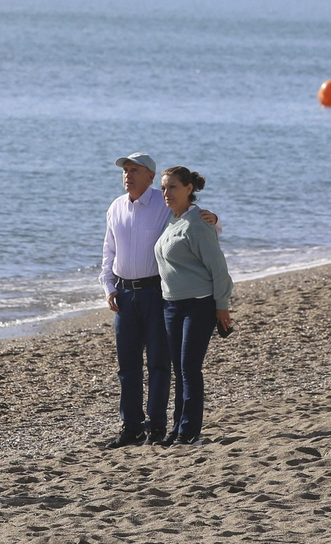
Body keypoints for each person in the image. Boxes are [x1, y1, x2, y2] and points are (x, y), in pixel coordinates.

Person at [99, 153, 219, 449]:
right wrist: (108, 286)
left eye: (134, 170)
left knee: (159, 364)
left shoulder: (163, 202)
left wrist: (215, 220)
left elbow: (194, 221)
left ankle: (155, 427)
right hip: (123, 295)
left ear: (150, 176)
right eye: (125, 170)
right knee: (127, 366)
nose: (127, 174)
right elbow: (108, 251)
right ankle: (131, 428)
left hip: (156, 293)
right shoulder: (115, 207)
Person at [153, 166, 233, 446]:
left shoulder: (198, 223)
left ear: (189, 189)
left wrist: (222, 305)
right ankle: (177, 429)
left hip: (199, 306)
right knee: (179, 369)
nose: (166, 193)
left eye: (172, 187)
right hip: (171, 306)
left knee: (189, 368)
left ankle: (189, 432)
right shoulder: (171, 220)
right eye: (163, 188)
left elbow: (219, 268)